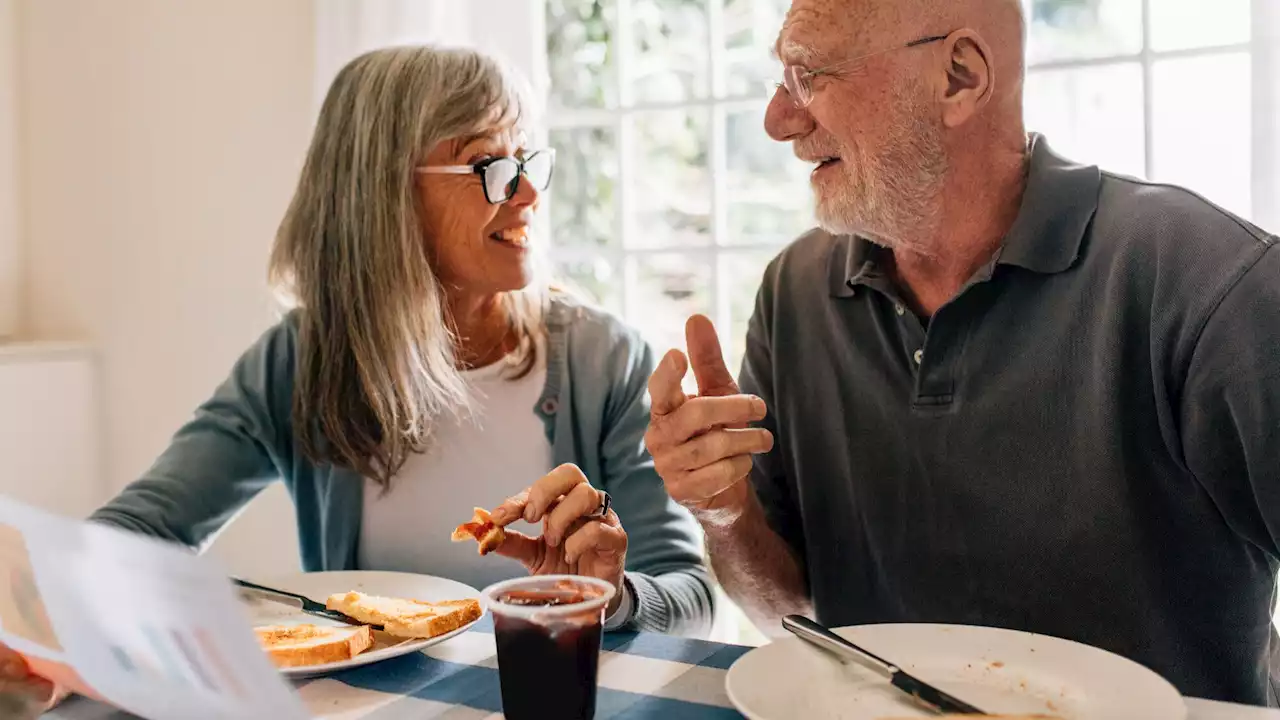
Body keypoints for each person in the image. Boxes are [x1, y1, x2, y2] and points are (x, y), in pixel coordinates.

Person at [3, 43, 718, 717]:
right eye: (490, 165)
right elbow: (142, 531)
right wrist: (44, 616)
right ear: (381, 194)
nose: (529, 191)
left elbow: (691, 595)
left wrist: (609, 593)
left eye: (528, 159)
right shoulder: (301, 362)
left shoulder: (600, 360)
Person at [645, 0, 1280, 708]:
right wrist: (725, 511)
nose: (778, 120)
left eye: (809, 75)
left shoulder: (1208, 284)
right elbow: (789, 616)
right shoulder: (793, 293)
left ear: (958, 76)